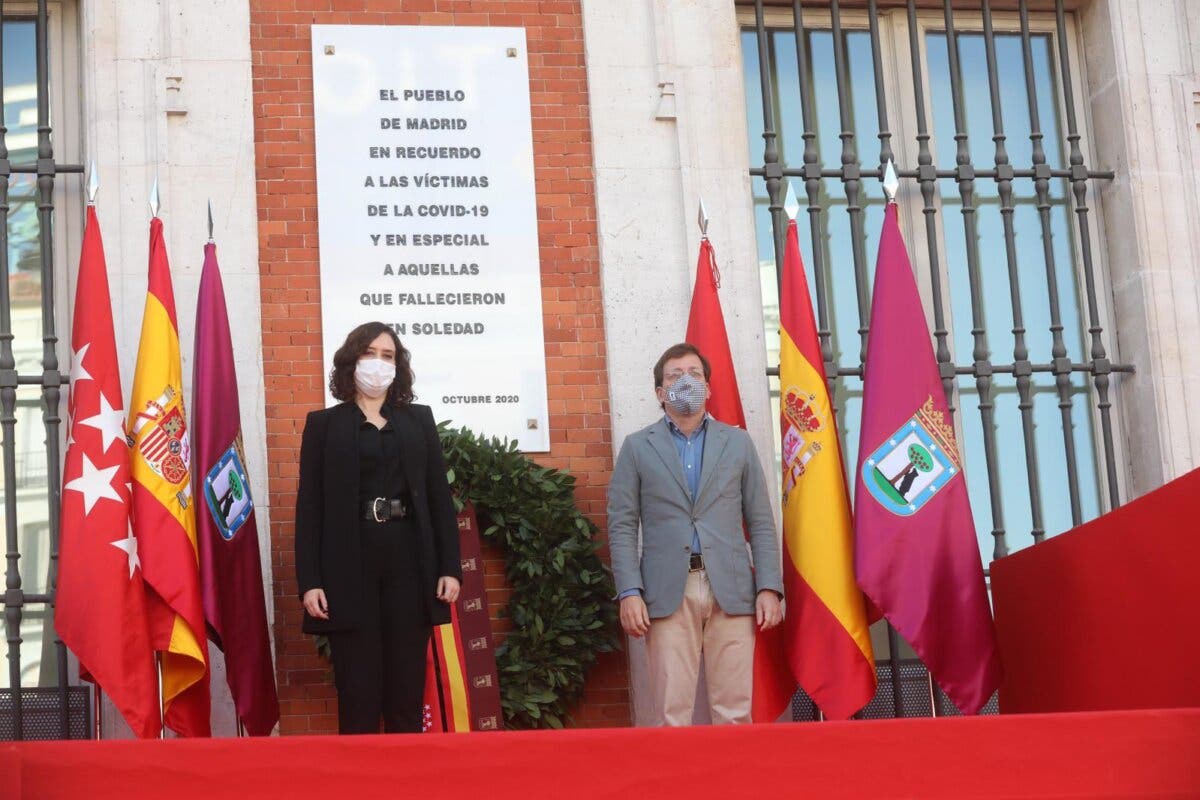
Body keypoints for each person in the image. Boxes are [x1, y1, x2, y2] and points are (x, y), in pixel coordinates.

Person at [295, 321, 462, 734]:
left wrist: (449, 567)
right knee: (358, 695)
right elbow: (309, 506)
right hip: (347, 567)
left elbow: (438, 498)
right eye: (370, 353)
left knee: (406, 693)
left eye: (388, 356)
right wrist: (310, 580)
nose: (378, 363)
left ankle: (407, 785)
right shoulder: (323, 425)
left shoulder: (418, 420)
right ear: (352, 360)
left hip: (409, 563)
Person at [607, 342, 783, 726]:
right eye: (675, 376)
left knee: (734, 711)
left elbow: (760, 520)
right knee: (672, 713)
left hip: (732, 589)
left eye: (695, 375)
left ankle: (733, 787)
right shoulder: (637, 447)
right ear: (660, 392)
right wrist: (630, 592)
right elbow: (621, 524)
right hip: (667, 589)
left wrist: (769, 586)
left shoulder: (737, 443)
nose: (686, 381)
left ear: (708, 387)